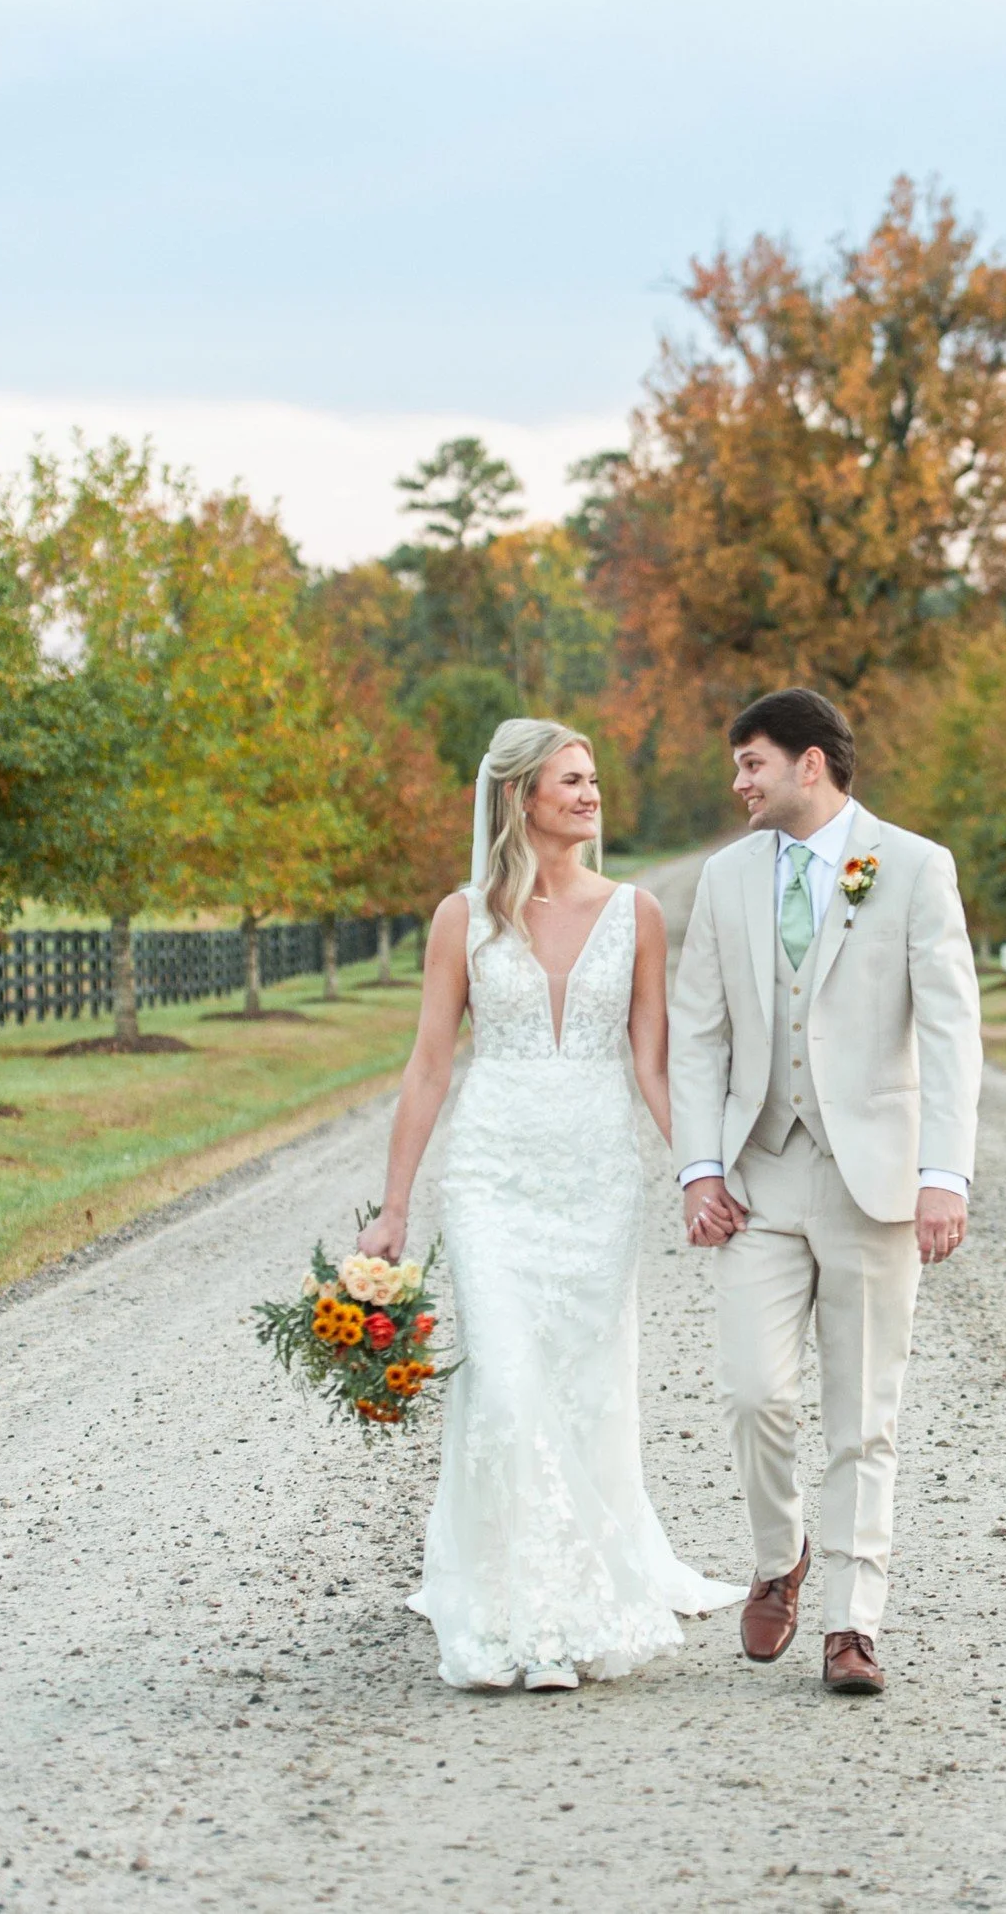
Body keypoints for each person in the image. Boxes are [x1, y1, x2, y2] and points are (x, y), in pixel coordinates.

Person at [358, 716, 743, 1690]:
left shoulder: (640, 914)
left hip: (598, 1179)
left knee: (584, 1384)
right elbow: (430, 1066)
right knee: (508, 1380)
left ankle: (580, 1581)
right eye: (569, 780)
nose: (589, 793)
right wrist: (394, 1206)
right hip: (491, 1174)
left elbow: (653, 1066)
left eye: (592, 778)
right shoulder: (463, 919)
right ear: (521, 798)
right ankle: (520, 1617)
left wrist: (703, 1170)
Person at [670, 688, 982, 1696]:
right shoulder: (724, 880)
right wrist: (698, 1166)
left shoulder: (914, 867)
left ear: (813, 764)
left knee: (863, 1412)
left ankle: (852, 1624)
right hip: (759, 1175)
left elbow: (950, 1029)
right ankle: (781, 1553)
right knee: (755, 1390)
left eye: (752, 762)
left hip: (875, 1181)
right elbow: (699, 1034)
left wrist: (944, 1174)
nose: (738, 781)